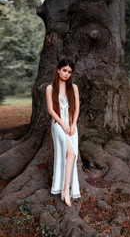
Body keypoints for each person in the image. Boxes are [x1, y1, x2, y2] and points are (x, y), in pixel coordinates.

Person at [46, 59, 81, 207]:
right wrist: (63, 125)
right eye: (64, 70)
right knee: (71, 154)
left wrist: (72, 125)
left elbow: (77, 108)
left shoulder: (73, 87)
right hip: (58, 124)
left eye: (69, 72)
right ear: (58, 70)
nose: (66, 74)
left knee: (71, 156)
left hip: (72, 124)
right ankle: (65, 190)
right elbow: (51, 110)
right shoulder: (50, 88)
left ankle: (65, 186)